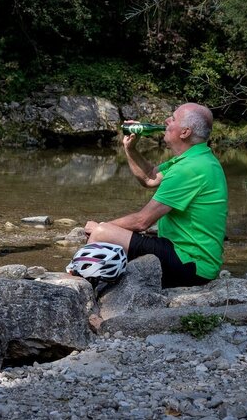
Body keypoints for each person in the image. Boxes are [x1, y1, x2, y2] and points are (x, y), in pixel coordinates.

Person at [84, 103, 227, 288]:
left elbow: (142, 221)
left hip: (191, 263)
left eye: (173, 119)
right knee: (109, 236)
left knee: (102, 234)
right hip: (185, 255)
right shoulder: (197, 158)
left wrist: (101, 227)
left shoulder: (190, 169)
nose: (166, 121)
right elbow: (150, 177)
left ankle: (82, 293)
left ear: (185, 132)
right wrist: (130, 149)